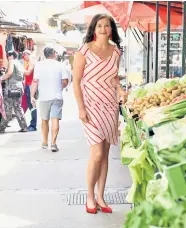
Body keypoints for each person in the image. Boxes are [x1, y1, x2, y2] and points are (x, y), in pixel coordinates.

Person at [72, 14, 128, 214]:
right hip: (91, 106)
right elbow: (76, 81)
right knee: (96, 153)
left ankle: (101, 197)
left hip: (110, 106)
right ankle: (89, 195)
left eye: (107, 25)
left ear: (111, 29)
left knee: (104, 154)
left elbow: (113, 77)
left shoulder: (116, 51)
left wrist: (120, 89)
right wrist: (81, 108)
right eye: (99, 25)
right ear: (94, 29)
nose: (103, 29)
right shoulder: (84, 51)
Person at [30, 47, 69, 152]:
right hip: (57, 97)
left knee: (44, 120)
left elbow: (35, 81)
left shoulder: (39, 65)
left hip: (43, 97)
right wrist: (59, 88)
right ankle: (53, 143)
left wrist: (32, 96)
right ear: (53, 54)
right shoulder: (60, 65)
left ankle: (45, 142)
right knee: (55, 119)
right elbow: (65, 81)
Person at [0, 51, 28, 133]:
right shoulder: (19, 63)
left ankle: (2, 127)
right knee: (18, 107)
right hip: (19, 87)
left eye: (8, 56)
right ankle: (24, 126)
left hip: (11, 88)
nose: (7, 58)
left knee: (7, 107)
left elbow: (9, 73)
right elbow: (26, 73)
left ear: (11, 56)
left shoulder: (12, 62)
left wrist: (0, 78)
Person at [22, 50, 38, 131]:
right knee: (30, 105)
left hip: (31, 86)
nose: (23, 58)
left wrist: (20, 70)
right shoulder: (30, 62)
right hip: (29, 85)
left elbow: (28, 73)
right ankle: (32, 124)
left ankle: (33, 125)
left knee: (32, 106)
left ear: (26, 55)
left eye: (23, 56)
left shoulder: (32, 62)